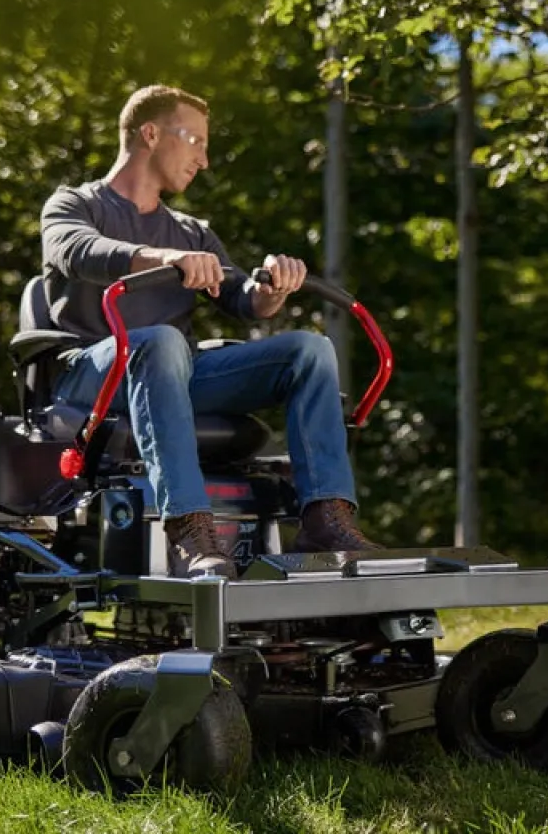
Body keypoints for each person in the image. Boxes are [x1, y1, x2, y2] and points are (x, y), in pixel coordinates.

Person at [40, 84, 378, 578]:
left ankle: (326, 517)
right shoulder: (74, 205)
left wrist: (272, 288)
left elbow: (243, 298)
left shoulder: (192, 232)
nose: (205, 159)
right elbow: (78, 251)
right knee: (159, 339)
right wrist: (166, 260)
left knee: (309, 350)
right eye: (194, 140)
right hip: (91, 378)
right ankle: (189, 528)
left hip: (173, 372)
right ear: (150, 134)